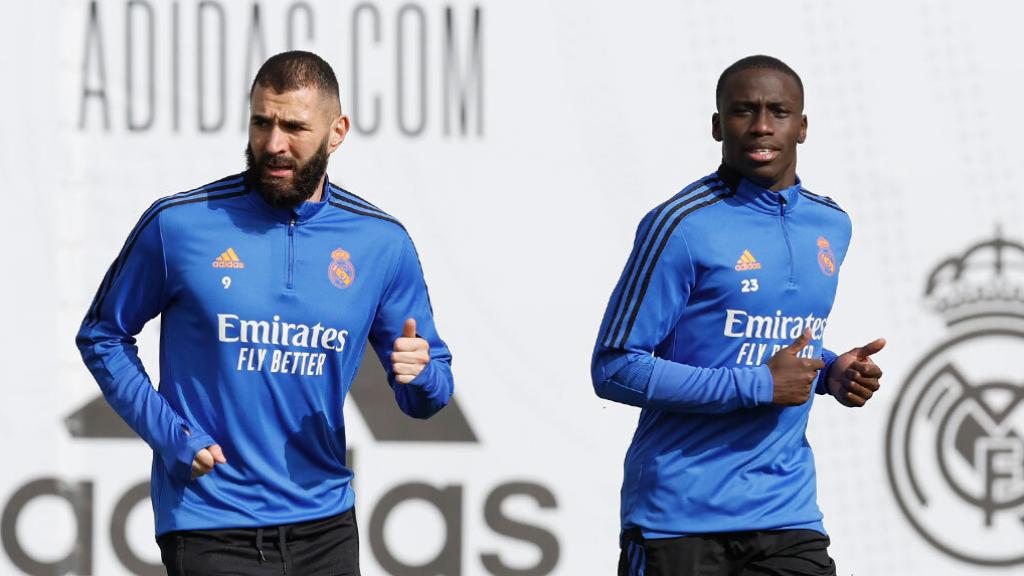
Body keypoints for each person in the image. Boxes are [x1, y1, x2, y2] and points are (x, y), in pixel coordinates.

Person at [76, 51, 454, 576]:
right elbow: (102, 336)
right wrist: (173, 436)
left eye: (295, 127)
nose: (274, 144)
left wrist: (422, 375)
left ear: (337, 131)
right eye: (261, 123)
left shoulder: (381, 243)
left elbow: (427, 392)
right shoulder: (179, 225)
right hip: (211, 521)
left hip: (326, 526)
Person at [591, 55, 885, 576]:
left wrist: (831, 371)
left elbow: (782, 343)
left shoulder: (832, 224)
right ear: (717, 124)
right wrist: (756, 385)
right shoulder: (679, 224)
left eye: (778, 111)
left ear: (803, 125)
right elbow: (614, 367)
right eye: (743, 111)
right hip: (677, 520)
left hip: (786, 515)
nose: (762, 126)